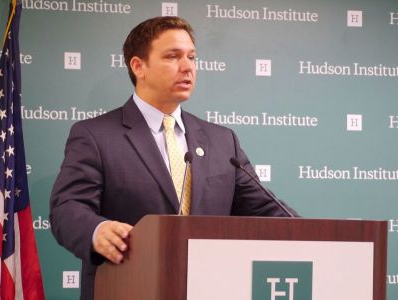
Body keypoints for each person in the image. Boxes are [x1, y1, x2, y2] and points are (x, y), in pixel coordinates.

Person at [50, 16, 296, 300]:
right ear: (138, 66)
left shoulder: (221, 140)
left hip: (211, 288)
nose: (187, 66)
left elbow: (269, 213)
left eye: (192, 57)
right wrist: (97, 230)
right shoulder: (95, 135)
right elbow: (67, 209)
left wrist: (316, 241)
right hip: (127, 287)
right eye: (172, 56)